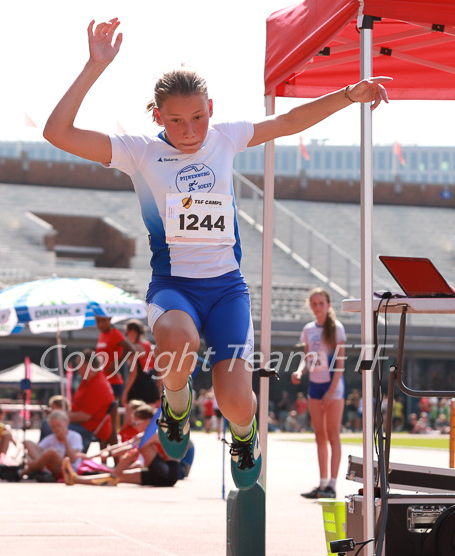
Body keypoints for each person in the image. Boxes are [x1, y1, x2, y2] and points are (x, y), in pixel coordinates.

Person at [43, 17, 390, 490]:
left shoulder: (226, 137)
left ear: (212, 108)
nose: (189, 131)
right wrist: (93, 66)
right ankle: (176, 403)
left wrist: (348, 94)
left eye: (198, 117)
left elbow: (289, 121)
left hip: (227, 290)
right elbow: (57, 132)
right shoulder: (139, 153)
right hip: (174, 287)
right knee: (177, 339)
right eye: (175, 120)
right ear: (157, 117)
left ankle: (244, 436)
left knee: (234, 400)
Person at [291, 288, 346, 499]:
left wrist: (332, 391)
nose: (317, 307)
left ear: (328, 305)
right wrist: (299, 370)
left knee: (333, 434)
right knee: (319, 435)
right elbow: (307, 358)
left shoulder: (337, 329)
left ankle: (332, 485)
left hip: (333, 387)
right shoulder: (308, 330)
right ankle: (322, 484)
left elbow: (340, 363)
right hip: (315, 386)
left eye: (321, 303)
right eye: (314, 303)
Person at [62, 404, 180, 487]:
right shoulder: (144, 435)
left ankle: (113, 475)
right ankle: (75, 479)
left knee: (137, 448)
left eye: (135, 422)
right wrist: (92, 456)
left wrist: (105, 455)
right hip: (159, 473)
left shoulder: (156, 434)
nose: (133, 426)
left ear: (147, 421)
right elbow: (122, 446)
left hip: (168, 473)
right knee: (119, 477)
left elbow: (129, 448)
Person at [95, 315, 142, 445]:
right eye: (97, 321)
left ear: (109, 320)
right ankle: (104, 459)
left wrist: (117, 362)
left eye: (103, 321)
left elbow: (131, 349)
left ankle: (115, 458)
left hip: (113, 383)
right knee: (103, 423)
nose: (100, 324)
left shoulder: (115, 333)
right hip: (102, 382)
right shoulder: (102, 335)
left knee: (109, 423)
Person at [68, 349, 116, 449]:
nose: (77, 368)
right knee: (51, 424)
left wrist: (63, 417)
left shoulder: (98, 384)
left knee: (51, 427)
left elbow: (85, 416)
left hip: (89, 427)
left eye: (79, 365)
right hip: (81, 424)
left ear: (87, 365)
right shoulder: (87, 380)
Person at [23, 409, 83, 480]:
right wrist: (29, 456)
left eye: (59, 425)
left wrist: (64, 439)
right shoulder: (51, 438)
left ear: (66, 423)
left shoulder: (75, 436)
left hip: (68, 469)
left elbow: (73, 459)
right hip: (52, 468)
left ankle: (25, 471)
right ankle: (44, 470)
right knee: (28, 443)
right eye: (53, 427)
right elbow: (36, 452)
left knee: (51, 452)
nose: (56, 429)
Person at [122, 319, 160, 407]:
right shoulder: (149, 346)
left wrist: (125, 392)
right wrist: (159, 389)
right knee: (148, 418)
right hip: (151, 386)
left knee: (132, 417)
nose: (127, 337)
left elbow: (133, 373)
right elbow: (160, 370)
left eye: (127, 333)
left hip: (137, 388)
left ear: (133, 332)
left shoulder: (134, 348)